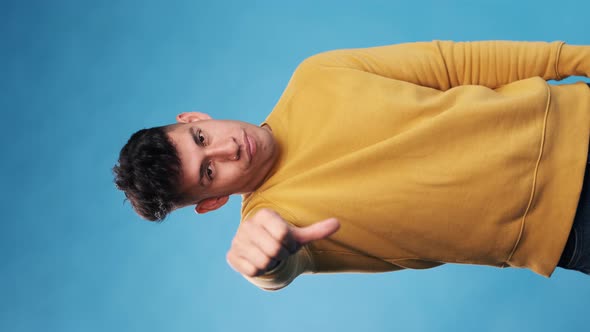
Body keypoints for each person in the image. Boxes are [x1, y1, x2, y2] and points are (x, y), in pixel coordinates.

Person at [113, 40, 590, 291]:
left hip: (575, 114)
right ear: (213, 200)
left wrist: (578, 58)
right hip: (572, 229)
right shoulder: (277, 222)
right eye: (209, 173)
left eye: (202, 138)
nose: (226, 150)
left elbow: (453, 64)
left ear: (196, 118)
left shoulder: (316, 75)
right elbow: (282, 267)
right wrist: (263, 266)